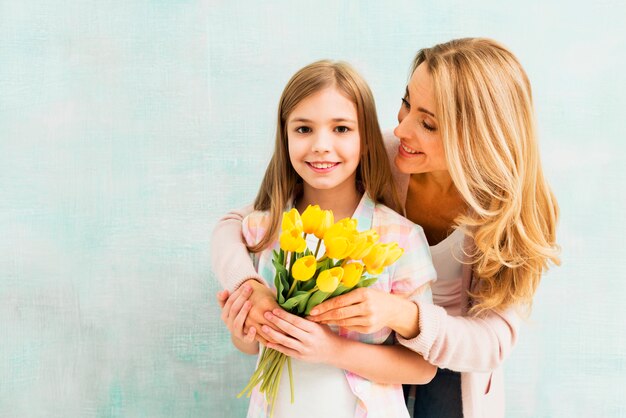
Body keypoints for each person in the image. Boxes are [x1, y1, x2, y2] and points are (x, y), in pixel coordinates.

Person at [212, 38, 560, 418]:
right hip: (363, 345)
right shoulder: (374, 152)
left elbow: (490, 342)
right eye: (407, 102)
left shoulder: (512, 216)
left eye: (428, 123)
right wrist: (248, 289)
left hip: (450, 361)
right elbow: (243, 224)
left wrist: (401, 315)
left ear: (476, 140)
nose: (402, 128)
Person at [216, 59, 438, 418]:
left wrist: (330, 348)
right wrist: (242, 328)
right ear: (285, 136)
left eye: (341, 129)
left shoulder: (399, 239)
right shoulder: (262, 230)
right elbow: (248, 347)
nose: (321, 145)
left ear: (366, 140)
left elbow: (423, 368)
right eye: (303, 129)